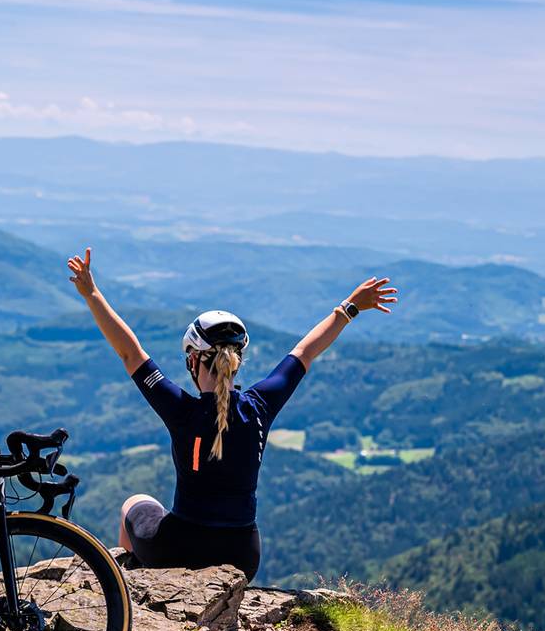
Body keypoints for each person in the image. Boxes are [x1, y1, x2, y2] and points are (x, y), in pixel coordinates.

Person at [66, 247, 397, 582]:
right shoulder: (260, 406)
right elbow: (304, 352)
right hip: (242, 556)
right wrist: (349, 307)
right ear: (236, 362)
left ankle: (130, 589)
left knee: (134, 503)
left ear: (193, 361)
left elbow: (130, 352)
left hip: (177, 548)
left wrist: (91, 293)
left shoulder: (181, 410)